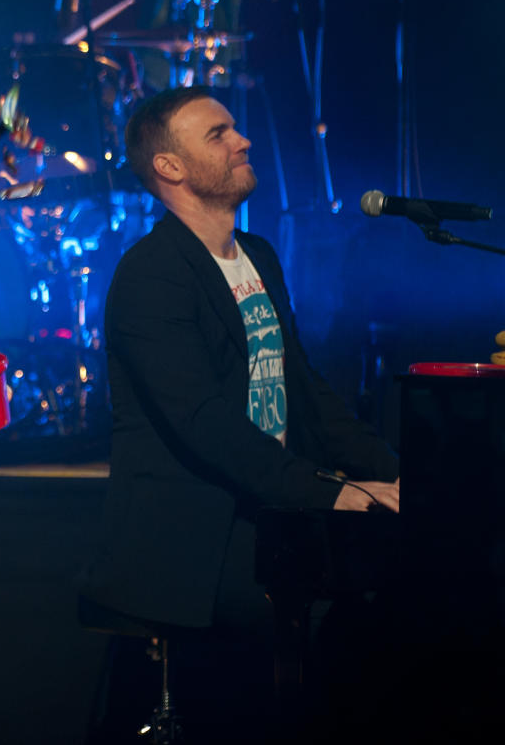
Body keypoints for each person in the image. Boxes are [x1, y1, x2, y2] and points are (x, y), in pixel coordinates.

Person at [80, 86, 400, 739]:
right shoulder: (151, 275)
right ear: (168, 168)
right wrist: (331, 491)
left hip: (268, 509)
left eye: (236, 128)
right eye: (218, 134)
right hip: (196, 536)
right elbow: (203, 422)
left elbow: (304, 389)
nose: (242, 140)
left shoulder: (259, 256)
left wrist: (392, 471)